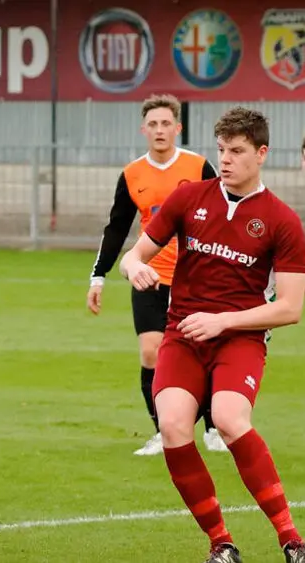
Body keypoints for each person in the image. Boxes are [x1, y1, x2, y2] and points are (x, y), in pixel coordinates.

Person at [119, 107, 305, 563]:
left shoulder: (281, 221)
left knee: (228, 417)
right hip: (183, 335)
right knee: (174, 426)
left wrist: (223, 321)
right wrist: (134, 268)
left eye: (237, 151)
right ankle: (221, 543)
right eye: (221, 149)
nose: (225, 159)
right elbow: (135, 254)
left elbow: (290, 308)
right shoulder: (189, 199)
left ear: (261, 154)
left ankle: (290, 538)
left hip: (240, 339)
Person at [87, 94, 226, 456]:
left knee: (203, 351)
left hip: (195, 279)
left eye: (166, 123)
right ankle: (162, 433)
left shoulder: (199, 168)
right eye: (153, 124)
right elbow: (117, 228)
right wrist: (98, 276)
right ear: (143, 129)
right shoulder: (132, 174)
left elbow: (223, 215)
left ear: (178, 128)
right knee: (151, 353)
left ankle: (213, 428)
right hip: (148, 277)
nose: (160, 130)